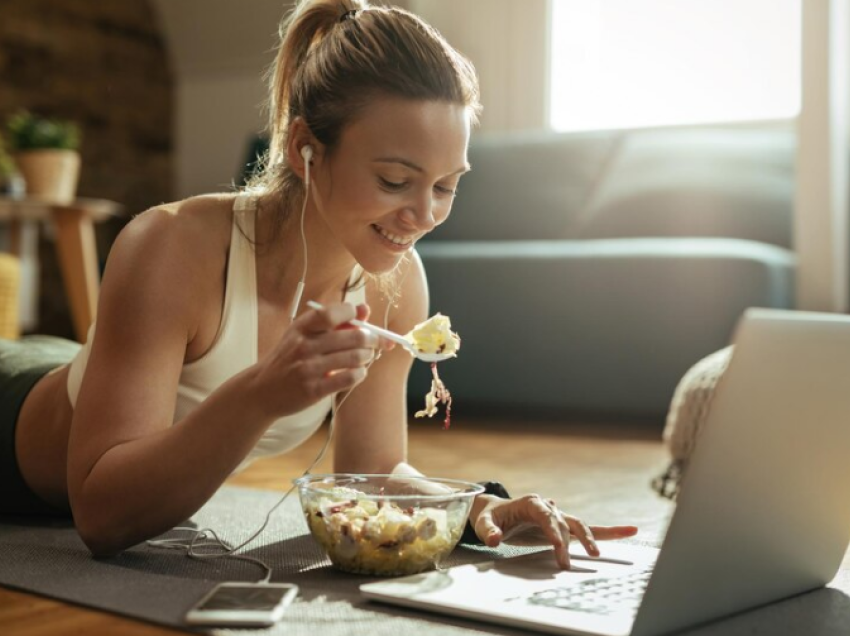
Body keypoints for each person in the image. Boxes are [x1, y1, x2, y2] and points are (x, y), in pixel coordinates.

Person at [0, 0, 637, 568]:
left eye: (446, 186)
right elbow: (102, 515)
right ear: (307, 148)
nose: (424, 216)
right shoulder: (171, 247)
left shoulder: (395, 282)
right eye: (395, 180)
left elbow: (376, 470)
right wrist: (260, 394)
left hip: (78, 368)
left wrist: (473, 506)